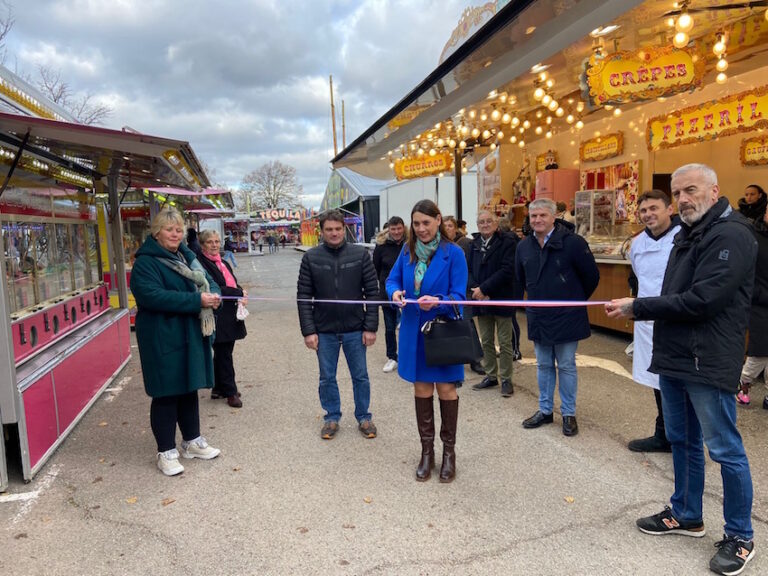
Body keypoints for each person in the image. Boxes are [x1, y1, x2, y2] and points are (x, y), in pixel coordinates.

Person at [606, 164, 758, 576]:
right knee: (682, 439)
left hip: (707, 360)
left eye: (691, 190)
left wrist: (639, 308)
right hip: (674, 356)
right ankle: (687, 513)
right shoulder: (688, 234)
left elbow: (703, 300)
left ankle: (741, 536)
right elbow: (672, 293)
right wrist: (643, 308)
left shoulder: (733, 235)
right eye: (678, 193)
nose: (684, 199)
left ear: (714, 189)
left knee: (724, 448)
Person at [130, 209, 222, 477]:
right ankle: (166, 452)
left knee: (188, 388)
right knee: (166, 393)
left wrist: (213, 297)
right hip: (162, 336)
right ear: (156, 232)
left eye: (179, 229)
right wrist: (196, 301)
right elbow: (151, 297)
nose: (175, 234)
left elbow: (210, 283)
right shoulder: (146, 262)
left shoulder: (187, 257)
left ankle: (192, 441)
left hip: (189, 333)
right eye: (169, 229)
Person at [387, 200, 468, 483]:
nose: (421, 229)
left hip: (442, 332)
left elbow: (460, 297)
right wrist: (395, 293)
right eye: (416, 223)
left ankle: (449, 453)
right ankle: (426, 451)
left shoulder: (454, 253)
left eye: (426, 223)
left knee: (446, 389)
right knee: (421, 387)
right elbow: (391, 281)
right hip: (413, 331)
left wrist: (439, 302)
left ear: (438, 221)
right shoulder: (407, 251)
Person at [516, 198, 599, 436]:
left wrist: (572, 298)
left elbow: (591, 276)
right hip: (539, 315)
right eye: (534, 216)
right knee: (543, 364)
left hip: (567, 315)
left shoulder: (573, 243)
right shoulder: (524, 247)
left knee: (566, 365)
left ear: (554, 218)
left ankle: (569, 413)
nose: (538, 220)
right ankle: (544, 410)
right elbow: (521, 278)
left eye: (543, 215)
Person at [297, 210, 379, 440]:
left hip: (355, 327)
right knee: (326, 377)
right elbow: (304, 296)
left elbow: (372, 292)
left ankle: (364, 416)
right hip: (324, 331)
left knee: (360, 375)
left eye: (338, 229)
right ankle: (331, 417)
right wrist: (309, 331)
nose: (334, 233)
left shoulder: (360, 255)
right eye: (329, 229)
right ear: (321, 232)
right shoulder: (311, 258)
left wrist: (370, 326)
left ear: (345, 229)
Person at [625, 190, 681, 453]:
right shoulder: (637, 243)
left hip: (678, 318)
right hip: (647, 321)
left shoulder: (685, 237)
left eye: (654, 208)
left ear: (670, 209)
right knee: (657, 381)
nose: (648, 214)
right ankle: (664, 434)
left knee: (678, 381)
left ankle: (681, 437)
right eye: (644, 210)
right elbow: (637, 276)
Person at [467, 210, 519, 397]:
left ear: (496, 224)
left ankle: (506, 378)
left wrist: (485, 290)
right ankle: (491, 375)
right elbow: (469, 270)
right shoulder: (473, 245)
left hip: (501, 297)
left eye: (489, 221)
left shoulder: (508, 242)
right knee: (486, 340)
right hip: (481, 299)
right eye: (481, 222)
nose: (485, 224)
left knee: (504, 342)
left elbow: (507, 270)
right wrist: (476, 290)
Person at [197, 229, 248, 408]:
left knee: (223, 352)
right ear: (202, 245)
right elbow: (217, 288)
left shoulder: (223, 262)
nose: (214, 245)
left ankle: (218, 387)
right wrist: (239, 292)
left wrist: (241, 292)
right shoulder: (201, 264)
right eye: (210, 242)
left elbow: (231, 282)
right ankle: (230, 392)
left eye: (217, 241)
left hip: (230, 313)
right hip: (216, 314)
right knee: (224, 353)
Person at [736, 190, 768, 406]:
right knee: (759, 352)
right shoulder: (753, 236)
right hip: (759, 303)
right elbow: (746, 273)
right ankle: (743, 382)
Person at [444, 215, 484, 375]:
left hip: (462, 291)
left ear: (456, 228)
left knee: (466, 322)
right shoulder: (438, 246)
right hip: (444, 292)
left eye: (450, 226)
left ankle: (476, 359)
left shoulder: (465, 244)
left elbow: (472, 267)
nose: (447, 228)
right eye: (444, 225)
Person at [372, 216, 407, 373]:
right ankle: (392, 357)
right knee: (390, 327)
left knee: (410, 325)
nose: (397, 232)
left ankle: (408, 356)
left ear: (403, 228)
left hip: (408, 291)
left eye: (399, 228)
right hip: (388, 292)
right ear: (389, 230)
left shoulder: (410, 244)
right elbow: (376, 268)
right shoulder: (381, 246)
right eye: (393, 229)